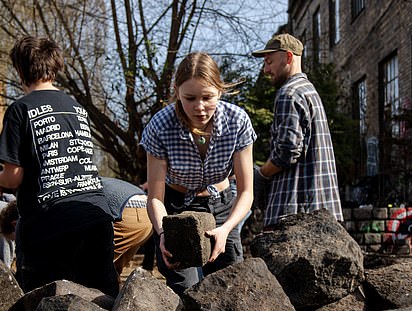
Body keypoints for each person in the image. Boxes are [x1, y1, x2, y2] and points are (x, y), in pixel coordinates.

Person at [0, 36, 118, 297]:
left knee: (42, 308)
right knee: (102, 301)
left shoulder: (20, 109)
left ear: (20, 70)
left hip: (49, 222)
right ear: (55, 66)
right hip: (96, 215)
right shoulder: (77, 108)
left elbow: (13, 177)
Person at [140, 52, 255, 295]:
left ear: (220, 91)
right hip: (176, 209)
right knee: (186, 289)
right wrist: (164, 233)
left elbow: (246, 192)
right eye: (190, 98)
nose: (199, 107)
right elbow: (155, 199)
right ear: (177, 91)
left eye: (207, 97)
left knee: (230, 287)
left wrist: (226, 229)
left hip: (223, 208)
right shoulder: (160, 126)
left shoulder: (237, 121)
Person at [251, 33, 343, 228]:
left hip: (294, 211)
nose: (266, 70)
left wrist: (260, 174)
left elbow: (287, 152)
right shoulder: (309, 90)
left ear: (289, 57)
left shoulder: (288, 94)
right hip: (321, 209)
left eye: (269, 62)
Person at [100, 177, 152, 277]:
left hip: (128, 211)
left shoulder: (80, 186)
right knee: (114, 267)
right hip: (148, 213)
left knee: (95, 264)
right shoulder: (104, 180)